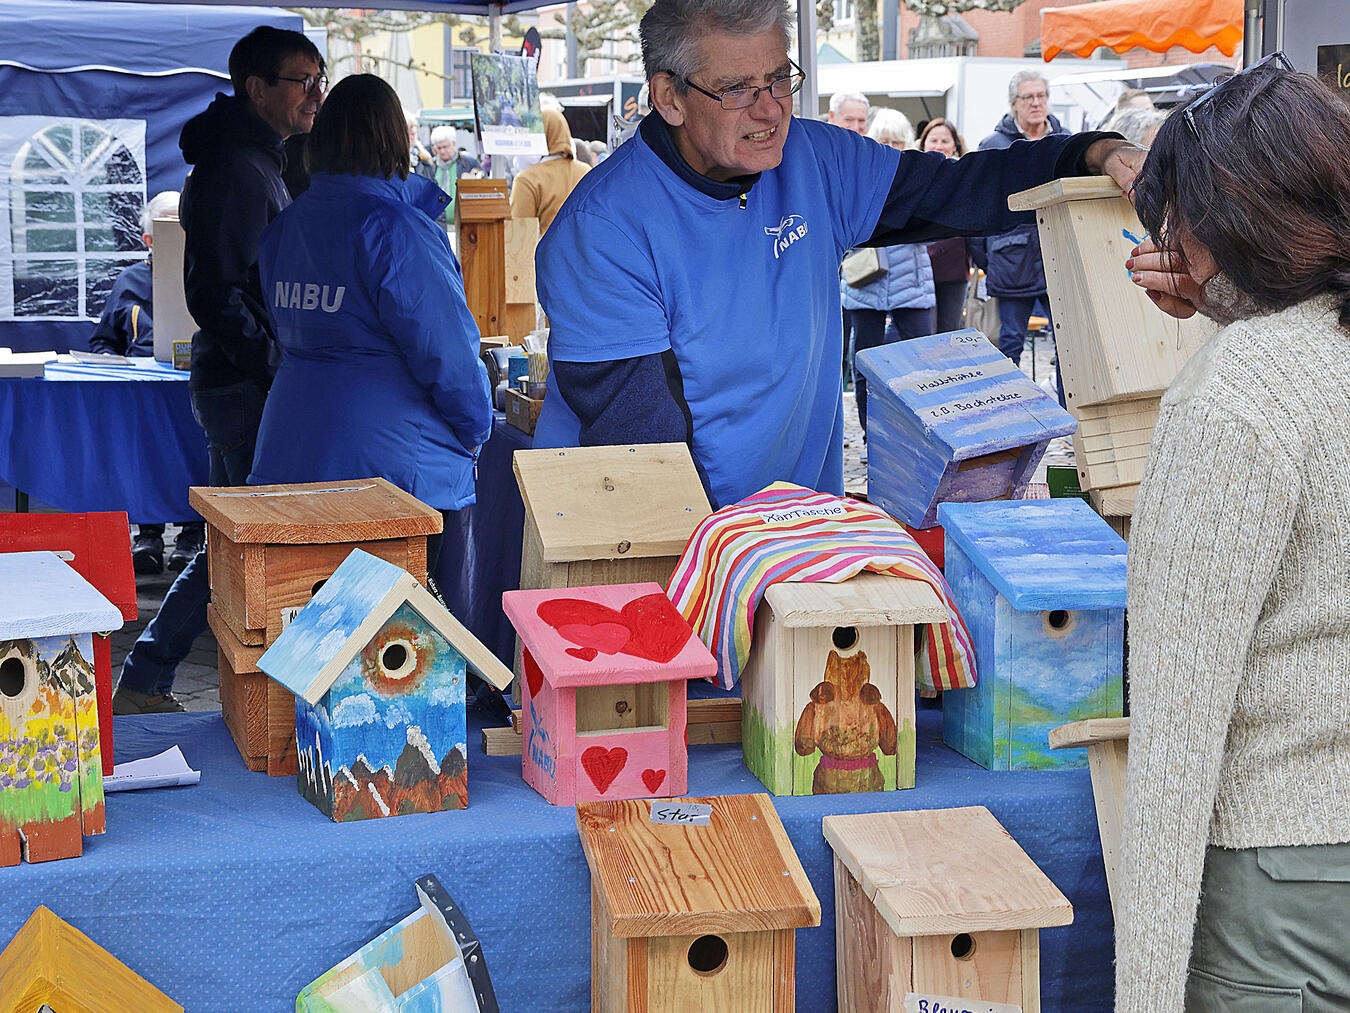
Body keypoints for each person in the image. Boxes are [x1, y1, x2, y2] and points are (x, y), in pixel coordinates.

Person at [532, 0, 1143, 510]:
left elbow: (956, 191)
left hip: (790, 519)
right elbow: (645, 447)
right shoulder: (602, 229)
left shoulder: (814, 160)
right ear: (668, 98)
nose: (770, 108)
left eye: (778, 78)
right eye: (737, 88)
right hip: (641, 531)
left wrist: (1087, 154)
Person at [1116, 60, 1350, 1012]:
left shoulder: (1237, 396)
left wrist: (1144, 992)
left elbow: (1176, 735)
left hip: (1277, 886)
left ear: (1216, 227)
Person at [112, 25, 325, 715]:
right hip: (243, 384)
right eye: (303, 81)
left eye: (319, 81)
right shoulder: (237, 165)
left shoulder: (260, 158)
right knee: (237, 541)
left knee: (234, 540)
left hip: (247, 378)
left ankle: (150, 673)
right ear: (258, 88)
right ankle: (148, 673)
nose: (315, 96)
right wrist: (273, 370)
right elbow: (215, 293)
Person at [251, 74, 492, 586]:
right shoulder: (396, 230)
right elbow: (449, 358)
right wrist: (476, 430)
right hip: (394, 469)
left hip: (291, 450)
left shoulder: (286, 228)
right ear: (394, 139)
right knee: (410, 651)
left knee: (306, 639)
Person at [90, 189, 206, 575]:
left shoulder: (210, 274)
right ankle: (149, 536)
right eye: (169, 225)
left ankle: (191, 538)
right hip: (145, 393)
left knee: (195, 456)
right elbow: (104, 340)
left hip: (195, 389)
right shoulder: (130, 281)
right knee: (149, 457)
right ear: (149, 239)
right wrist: (109, 358)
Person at [840, 108, 935, 436]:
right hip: (865, 281)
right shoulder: (859, 177)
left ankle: (920, 431)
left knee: (921, 361)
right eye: (885, 141)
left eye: (897, 141)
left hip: (911, 281)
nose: (892, 147)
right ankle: (871, 432)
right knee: (866, 363)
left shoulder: (919, 177)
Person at [969, 70, 1070, 369]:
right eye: (1028, 97)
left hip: (1059, 257)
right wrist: (989, 260)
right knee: (1009, 345)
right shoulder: (994, 145)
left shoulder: (1066, 140)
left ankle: (1068, 411)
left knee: (1069, 348)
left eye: (1041, 96)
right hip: (1011, 260)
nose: (1036, 103)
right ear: (1014, 103)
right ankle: (1011, 412)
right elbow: (977, 207)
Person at [917, 117, 973, 333]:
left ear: (955, 146)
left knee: (950, 331)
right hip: (921, 267)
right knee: (926, 333)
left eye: (945, 141)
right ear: (923, 144)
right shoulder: (914, 175)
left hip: (955, 267)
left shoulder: (966, 175)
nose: (939, 146)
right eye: (933, 140)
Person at [510, 108, 591, 235]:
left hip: (544, 254)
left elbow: (519, 237)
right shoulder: (586, 172)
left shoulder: (527, 180)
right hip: (582, 253)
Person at [416, 125, 482, 223]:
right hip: (437, 224)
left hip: (464, 223)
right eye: (439, 148)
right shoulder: (429, 166)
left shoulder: (469, 163)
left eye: (445, 146)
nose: (442, 151)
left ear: (454, 144)